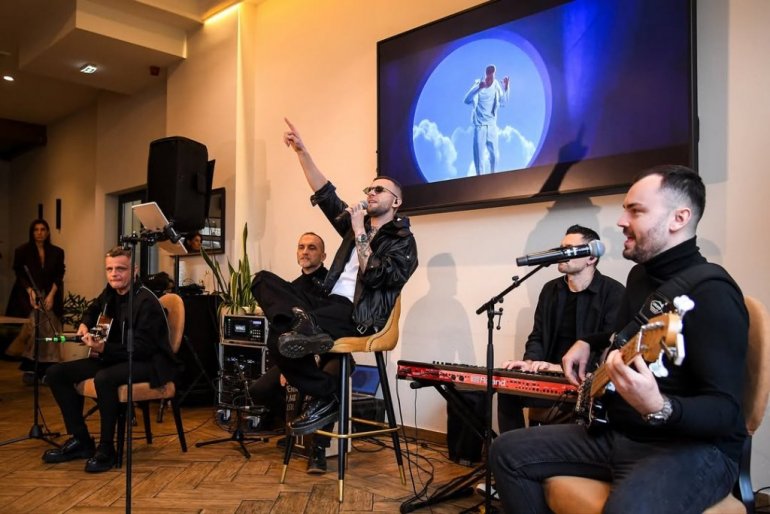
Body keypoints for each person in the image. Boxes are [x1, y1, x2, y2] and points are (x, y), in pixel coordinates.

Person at [490, 165, 749, 513]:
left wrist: (660, 406)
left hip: (691, 448)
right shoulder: (640, 276)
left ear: (679, 218)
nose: (621, 221)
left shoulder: (713, 293)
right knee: (506, 451)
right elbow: (624, 337)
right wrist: (588, 340)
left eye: (635, 211)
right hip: (621, 433)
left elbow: (726, 412)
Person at [250, 118, 418, 439]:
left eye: (379, 189)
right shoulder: (357, 226)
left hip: (358, 314)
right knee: (263, 286)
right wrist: (302, 152)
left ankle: (321, 383)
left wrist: (358, 230)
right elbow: (326, 195)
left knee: (290, 334)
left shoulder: (402, 241)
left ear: (396, 202)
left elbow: (376, 277)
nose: (371, 193)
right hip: (327, 304)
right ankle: (326, 392)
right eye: (369, 188)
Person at [42, 246, 180, 473]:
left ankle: (107, 449)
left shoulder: (146, 302)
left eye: (120, 269)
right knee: (56, 373)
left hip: (149, 362)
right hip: (115, 356)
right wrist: (85, 323)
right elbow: (93, 308)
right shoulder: (110, 292)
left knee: (104, 378)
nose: (114, 274)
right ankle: (81, 440)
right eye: (110, 269)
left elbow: (143, 348)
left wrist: (104, 348)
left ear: (134, 270)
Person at [497, 225, 625, 432]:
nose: (561, 254)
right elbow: (538, 336)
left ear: (591, 257)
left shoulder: (614, 292)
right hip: (548, 375)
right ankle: (515, 448)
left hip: (585, 381)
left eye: (569, 249)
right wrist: (529, 363)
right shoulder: (551, 290)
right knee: (507, 388)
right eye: (561, 248)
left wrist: (559, 367)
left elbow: (610, 347)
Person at [247, 231, 339, 473]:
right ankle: (295, 430)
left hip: (332, 351)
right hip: (298, 356)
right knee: (258, 390)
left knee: (331, 383)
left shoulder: (334, 283)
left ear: (323, 255)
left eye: (312, 247)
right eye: (301, 247)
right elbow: (281, 331)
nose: (305, 251)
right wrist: (287, 365)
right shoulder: (290, 289)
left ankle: (317, 450)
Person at [5, 219, 65, 381]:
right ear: (32, 232)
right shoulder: (22, 250)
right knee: (33, 329)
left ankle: (48, 369)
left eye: (43, 229)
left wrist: (51, 295)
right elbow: (20, 274)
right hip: (28, 295)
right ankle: (31, 368)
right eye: (36, 230)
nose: (39, 233)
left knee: (50, 330)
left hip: (51, 294)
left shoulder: (57, 252)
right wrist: (30, 291)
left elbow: (59, 275)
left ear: (48, 232)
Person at [463, 64, 510, 175]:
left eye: (492, 76)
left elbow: (503, 102)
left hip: (492, 126)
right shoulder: (478, 84)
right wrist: (478, 88)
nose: (490, 79)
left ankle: (493, 178)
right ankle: (480, 180)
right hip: (480, 127)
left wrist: (506, 88)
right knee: (479, 158)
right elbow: (466, 100)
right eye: (488, 76)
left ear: (494, 75)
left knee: (494, 156)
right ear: (485, 75)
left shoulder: (496, 85)